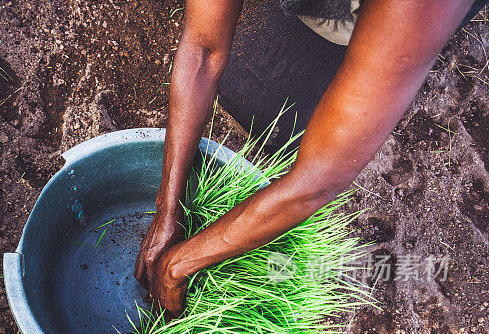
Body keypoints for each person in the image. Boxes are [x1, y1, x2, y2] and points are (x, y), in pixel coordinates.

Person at [135, 0, 487, 317]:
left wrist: (179, 265)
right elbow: (202, 53)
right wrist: (168, 210)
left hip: (399, 20)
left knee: (294, 130)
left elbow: (315, 183)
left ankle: (372, 39)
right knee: (250, 90)